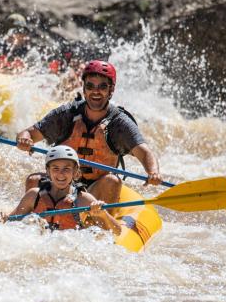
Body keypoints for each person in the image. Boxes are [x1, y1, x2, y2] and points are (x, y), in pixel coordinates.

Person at [15, 60, 163, 210]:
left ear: (111, 90)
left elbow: (145, 153)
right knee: (34, 180)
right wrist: (24, 139)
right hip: (62, 182)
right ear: (84, 89)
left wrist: (153, 172)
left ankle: (103, 227)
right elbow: (29, 133)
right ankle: (34, 220)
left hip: (97, 189)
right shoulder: (66, 114)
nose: (96, 91)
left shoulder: (120, 123)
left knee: (112, 181)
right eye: (90, 86)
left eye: (102, 87)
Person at [0, 145, 121, 234]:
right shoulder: (33, 195)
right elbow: (12, 223)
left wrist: (103, 215)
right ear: (48, 172)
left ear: (76, 172)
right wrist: (3, 219)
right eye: (55, 168)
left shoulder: (83, 199)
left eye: (67, 169)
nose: (61, 174)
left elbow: (117, 232)